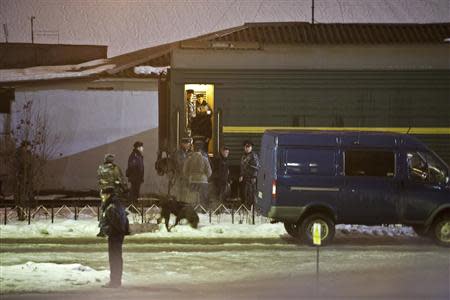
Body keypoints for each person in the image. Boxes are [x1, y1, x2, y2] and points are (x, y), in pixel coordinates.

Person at [99, 190, 130, 288]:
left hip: (115, 236)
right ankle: (116, 280)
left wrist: (108, 230)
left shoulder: (111, 207)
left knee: (114, 258)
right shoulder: (115, 204)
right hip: (117, 235)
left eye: (103, 194)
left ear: (108, 194)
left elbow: (116, 223)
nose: (102, 196)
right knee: (116, 258)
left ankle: (115, 281)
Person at [97, 153, 127, 237]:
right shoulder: (115, 168)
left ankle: (102, 229)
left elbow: (99, 179)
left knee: (103, 209)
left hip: (103, 192)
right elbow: (120, 179)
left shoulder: (100, 168)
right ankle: (119, 227)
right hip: (114, 191)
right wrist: (125, 188)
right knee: (119, 209)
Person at [183, 140, 212, 209]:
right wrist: (205, 177)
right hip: (203, 181)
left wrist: (189, 176)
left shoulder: (189, 158)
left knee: (192, 197)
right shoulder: (205, 158)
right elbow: (209, 172)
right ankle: (203, 210)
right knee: (203, 198)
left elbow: (184, 171)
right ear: (201, 149)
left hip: (192, 180)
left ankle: (193, 209)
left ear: (193, 148)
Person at [239, 140, 259, 208]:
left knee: (252, 194)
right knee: (245, 193)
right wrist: (241, 175)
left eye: (249, 147)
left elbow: (256, 168)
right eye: (246, 147)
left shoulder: (254, 156)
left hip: (251, 178)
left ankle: (252, 209)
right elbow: (242, 167)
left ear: (251, 147)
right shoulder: (243, 156)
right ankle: (246, 207)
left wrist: (254, 177)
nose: (247, 148)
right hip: (245, 178)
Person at [126, 141, 144, 205]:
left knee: (136, 193)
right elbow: (132, 166)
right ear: (138, 147)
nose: (143, 148)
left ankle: (134, 206)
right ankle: (132, 206)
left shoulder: (138, 155)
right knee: (134, 193)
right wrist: (136, 175)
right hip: (135, 178)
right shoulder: (135, 155)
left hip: (137, 178)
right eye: (141, 147)